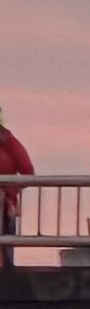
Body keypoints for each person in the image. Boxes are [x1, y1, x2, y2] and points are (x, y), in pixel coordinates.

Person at [0, 106, 33, 269]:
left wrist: (9, 191)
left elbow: (28, 173)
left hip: (6, 206)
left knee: (6, 248)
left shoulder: (10, 143)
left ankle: (6, 272)